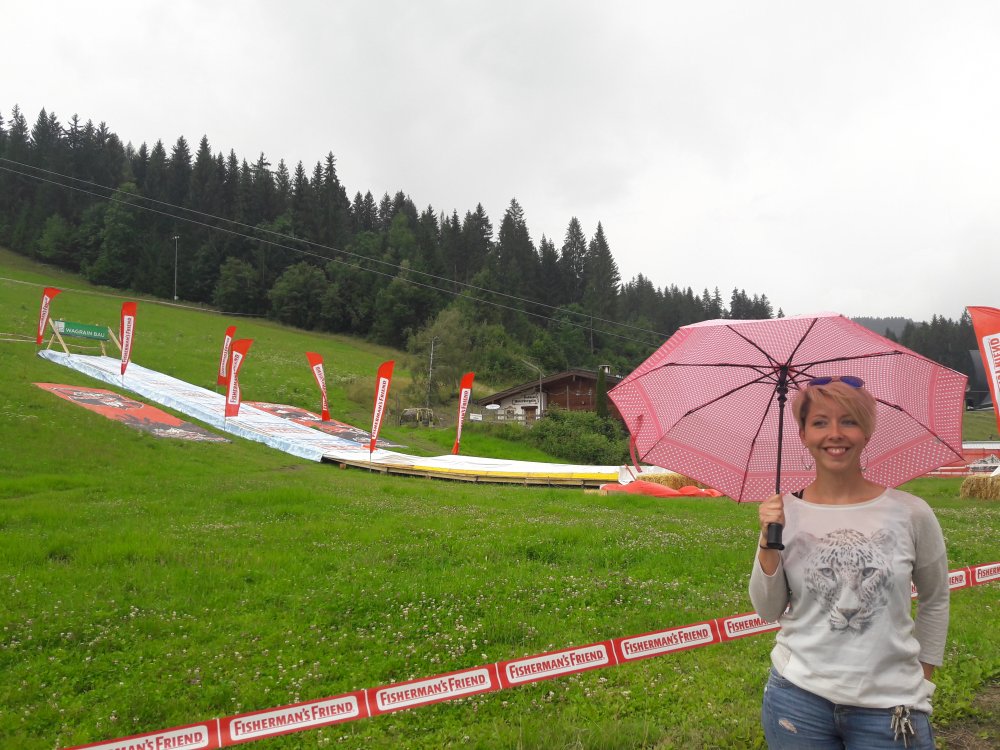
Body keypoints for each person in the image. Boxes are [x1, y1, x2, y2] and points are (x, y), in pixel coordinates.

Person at [749, 376, 949, 749]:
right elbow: (768, 609)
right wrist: (767, 541)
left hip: (889, 704)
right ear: (804, 433)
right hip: (797, 697)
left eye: (849, 421)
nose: (835, 434)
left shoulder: (910, 514)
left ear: (867, 432)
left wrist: (923, 675)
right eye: (820, 422)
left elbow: (935, 598)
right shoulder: (784, 512)